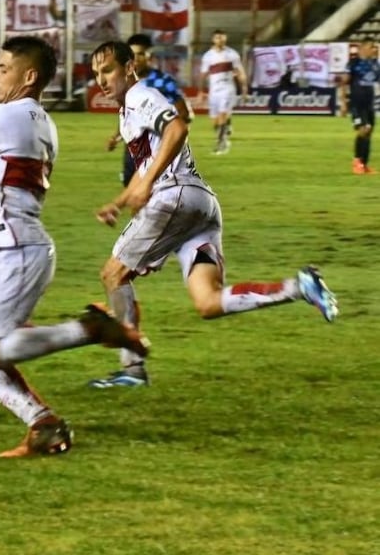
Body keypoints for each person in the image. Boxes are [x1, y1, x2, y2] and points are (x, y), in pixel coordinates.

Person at [0, 36, 148, 457]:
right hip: (14, 248)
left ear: (29, 76)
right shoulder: (42, 122)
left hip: (13, 250)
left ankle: (90, 330)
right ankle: (44, 425)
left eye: (3, 68)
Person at [86, 40, 339, 388]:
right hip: (200, 204)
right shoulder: (128, 110)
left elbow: (177, 128)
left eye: (108, 70)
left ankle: (132, 370)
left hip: (173, 198)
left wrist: (147, 186)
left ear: (129, 67)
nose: (101, 80)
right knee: (208, 302)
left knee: (113, 274)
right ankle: (300, 286)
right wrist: (120, 200)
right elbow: (147, 166)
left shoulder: (141, 96)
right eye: (96, 73)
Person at [107, 33, 193, 186]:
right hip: (133, 147)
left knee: (153, 189)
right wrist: (117, 137)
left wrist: (169, 137)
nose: (136, 59)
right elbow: (128, 116)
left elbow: (185, 114)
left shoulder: (162, 81)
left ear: (150, 56)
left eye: (140, 54)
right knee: (130, 185)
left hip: (157, 149)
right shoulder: (126, 83)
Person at [199, 30, 247, 155]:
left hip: (227, 88)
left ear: (225, 38)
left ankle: (221, 144)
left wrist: (244, 88)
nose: (220, 40)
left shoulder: (232, 54)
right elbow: (203, 74)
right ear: (213, 40)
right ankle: (226, 127)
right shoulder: (208, 56)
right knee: (215, 120)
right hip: (214, 90)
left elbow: (240, 72)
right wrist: (200, 91)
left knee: (222, 114)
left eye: (222, 37)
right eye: (217, 38)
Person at [345, 40, 380, 174]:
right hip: (357, 103)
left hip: (369, 104)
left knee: (369, 133)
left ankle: (364, 165)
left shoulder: (374, 64)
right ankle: (356, 161)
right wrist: (343, 103)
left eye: (375, 47)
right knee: (363, 130)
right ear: (363, 48)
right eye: (372, 47)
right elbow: (345, 82)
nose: (374, 49)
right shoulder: (353, 63)